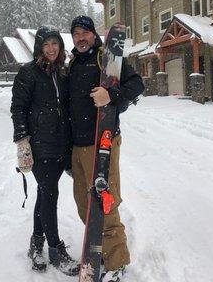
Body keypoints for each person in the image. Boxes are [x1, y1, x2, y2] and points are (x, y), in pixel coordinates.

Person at [68, 16, 144, 282]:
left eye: (84, 32)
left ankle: (117, 262)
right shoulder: (73, 63)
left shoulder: (107, 58)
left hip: (102, 142)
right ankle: (96, 248)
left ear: (93, 34)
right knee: (84, 205)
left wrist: (112, 96)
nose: (80, 38)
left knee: (105, 203)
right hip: (77, 146)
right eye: (75, 33)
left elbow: (137, 85)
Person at [10, 26, 79, 276]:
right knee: (50, 194)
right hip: (40, 146)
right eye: (46, 45)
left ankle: (36, 243)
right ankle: (55, 249)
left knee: (44, 193)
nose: (51, 49)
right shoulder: (28, 72)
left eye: (55, 44)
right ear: (39, 47)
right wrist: (22, 141)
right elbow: (18, 107)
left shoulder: (63, 72)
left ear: (60, 46)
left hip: (62, 143)